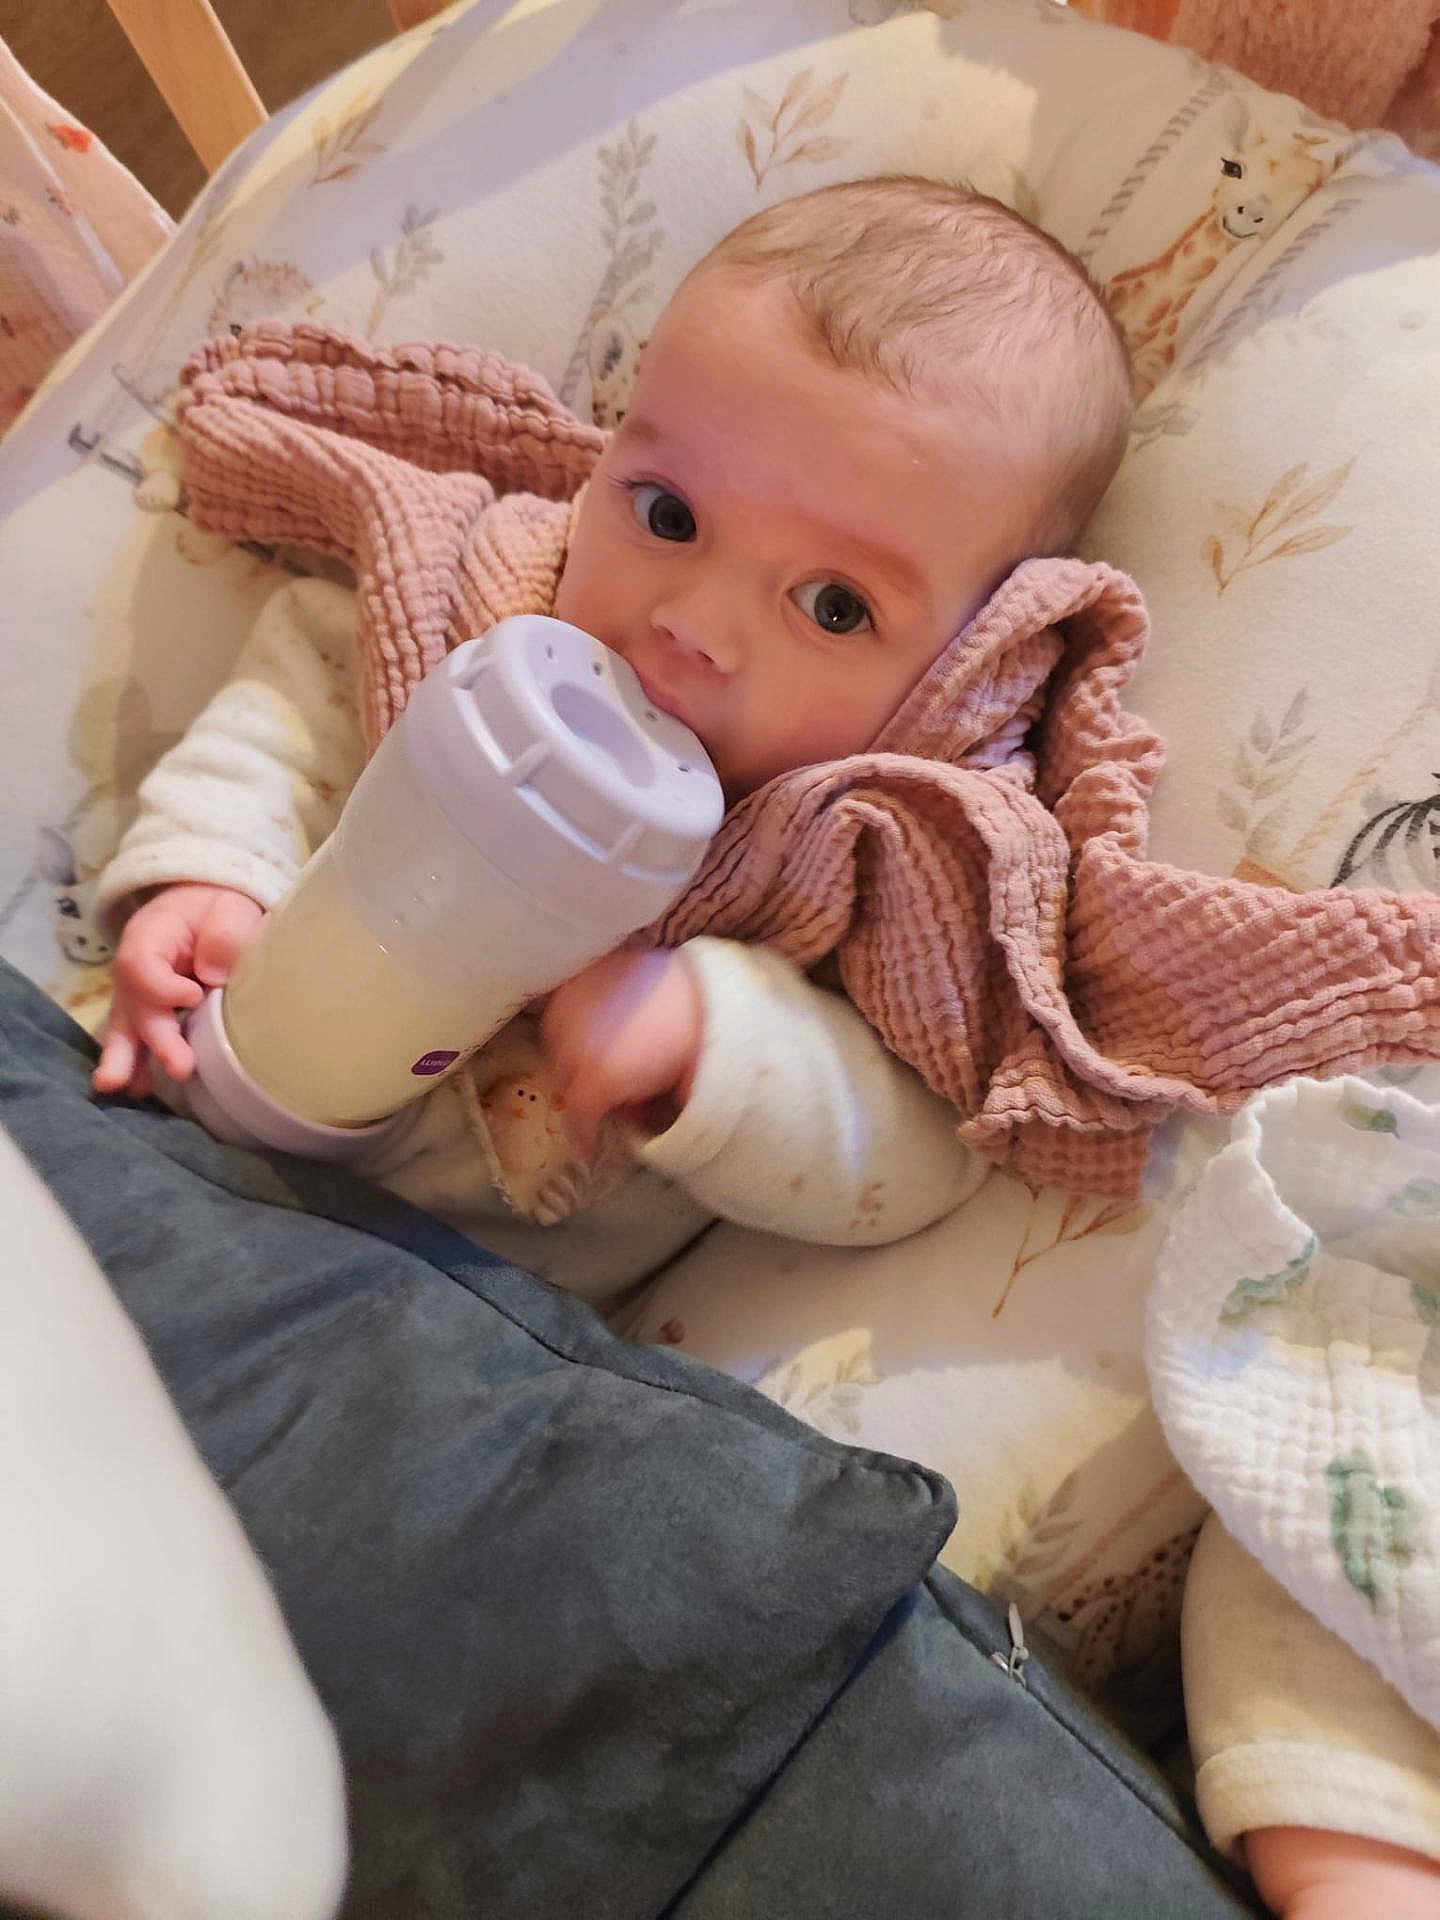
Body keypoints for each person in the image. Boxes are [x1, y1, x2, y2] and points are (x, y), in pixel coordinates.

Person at [86, 177, 1440, 1918]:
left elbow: (914, 1144)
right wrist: (205, 879)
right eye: (662, 509)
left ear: (965, 653)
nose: (692, 623)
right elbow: (292, 700)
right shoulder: (469, 618)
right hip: (161, 1128)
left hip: (422, 1321)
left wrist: (707, 1044)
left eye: (833, 610)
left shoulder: (862, 859)